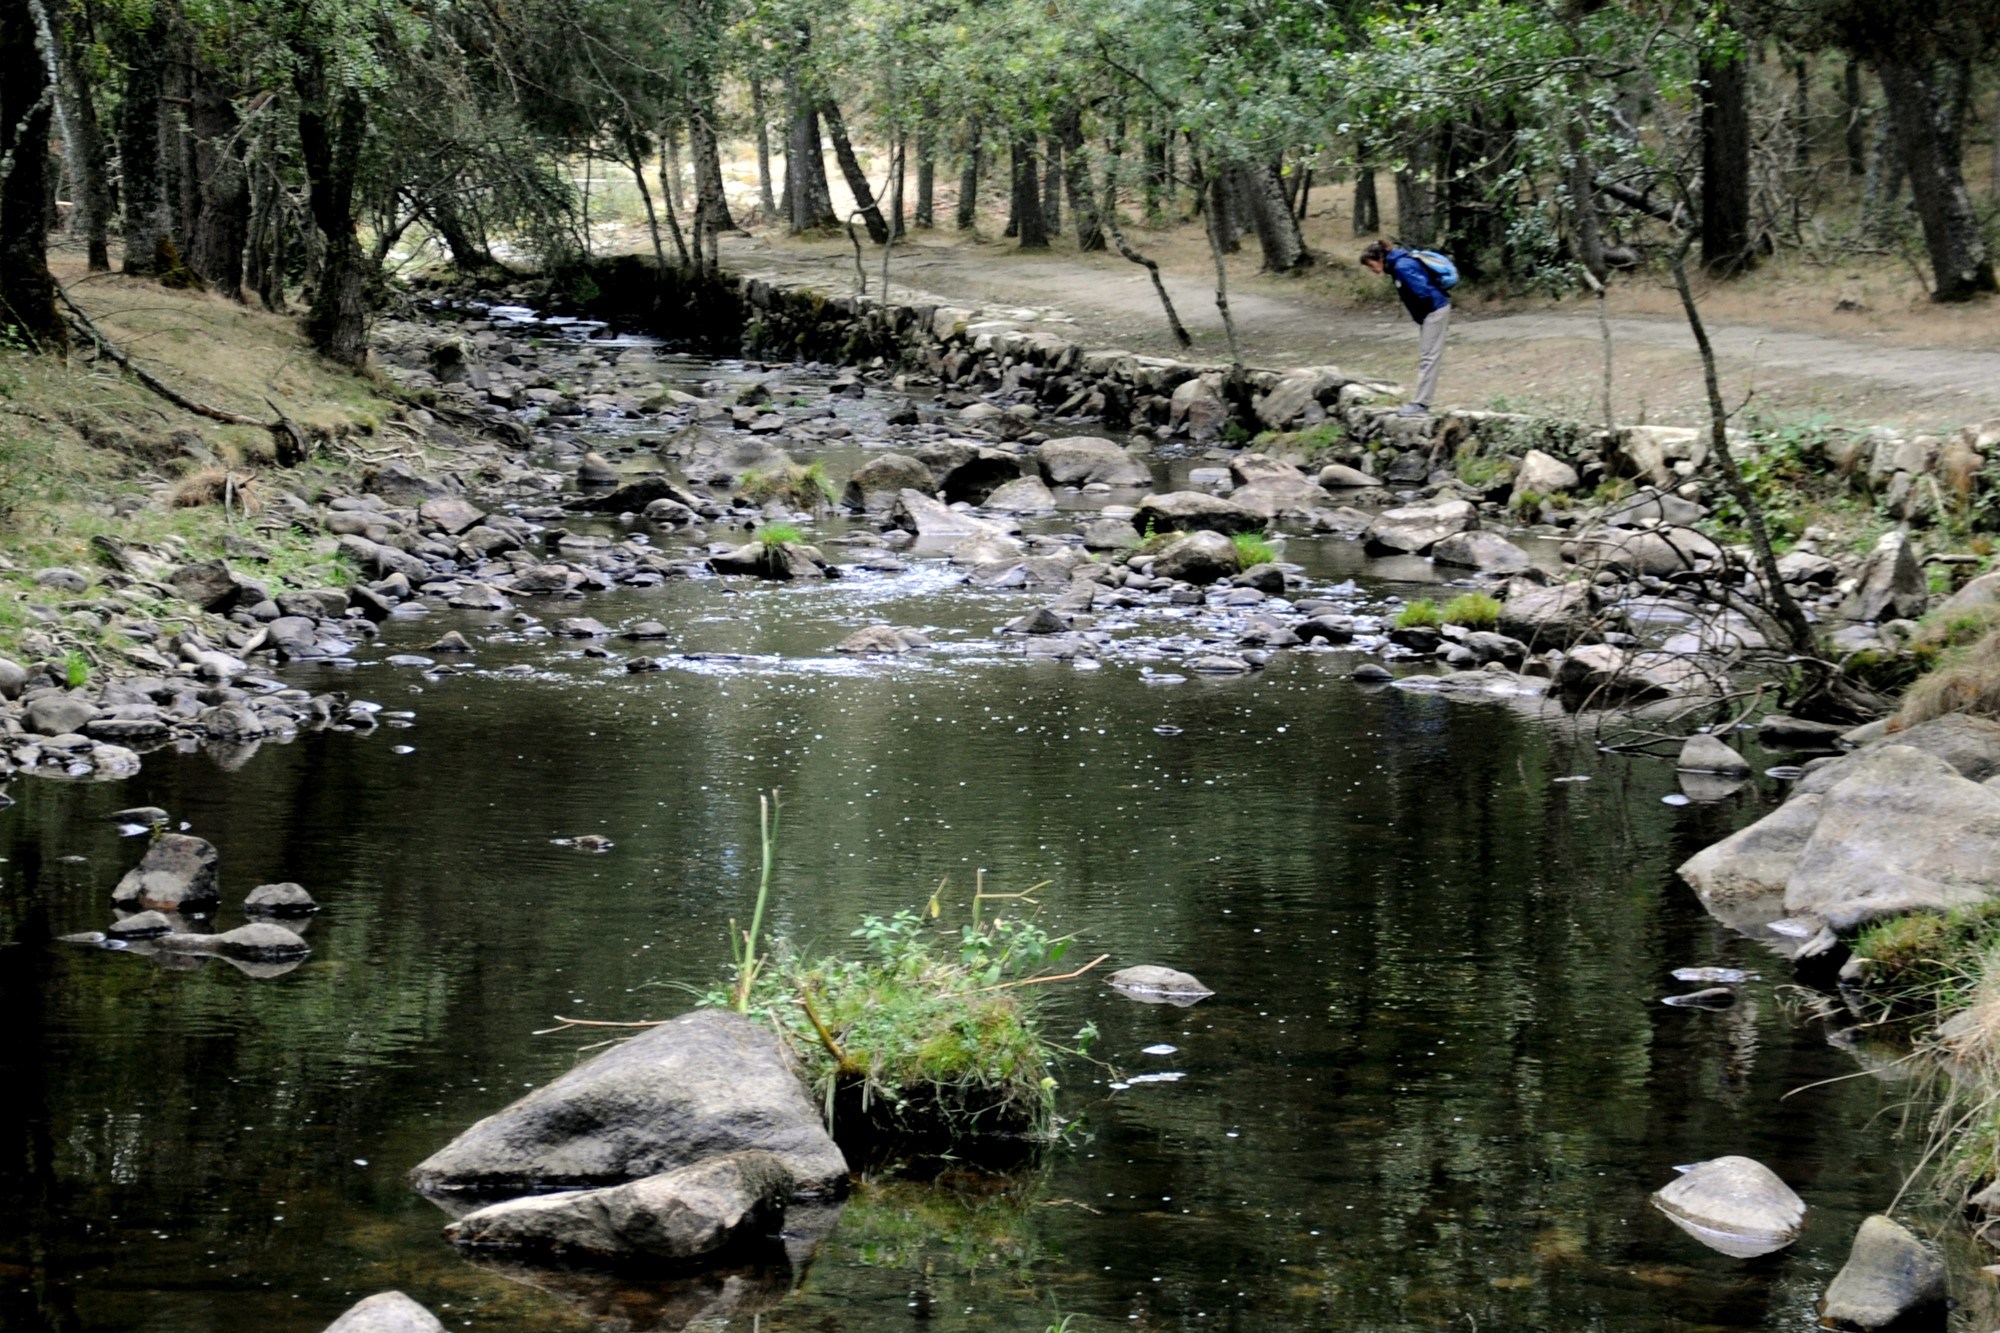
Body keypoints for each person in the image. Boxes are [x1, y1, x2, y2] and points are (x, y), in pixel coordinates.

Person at [1359, 239, 1450, 417]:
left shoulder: (1401, 266)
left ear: (1380, 258)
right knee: (1428, 356)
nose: (1372, 270)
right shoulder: (1397, 265)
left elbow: (1422, 291)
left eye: (1371, 265)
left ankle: (1421, 404)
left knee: (1429, 358)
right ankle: (1421, 402)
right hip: (1431, 313)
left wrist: (1422, 312)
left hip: (1434, 311)